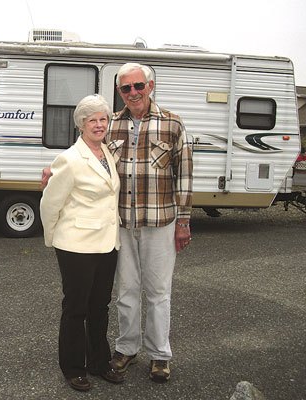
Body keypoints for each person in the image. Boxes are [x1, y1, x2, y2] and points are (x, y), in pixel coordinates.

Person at [41, 62, 193, 383]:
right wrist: (52, 172)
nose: (133, 93)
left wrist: (184, 221)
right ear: (120, 92)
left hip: (159, 222)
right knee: (125, 292)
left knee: (158, 292)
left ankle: (159, 355)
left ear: (150, 86)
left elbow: (185, 177)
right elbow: (82, 159)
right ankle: (125, 349)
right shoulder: (114, 126)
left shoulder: (173, 124)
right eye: (126, 88)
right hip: (120, 226)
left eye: (138, 86)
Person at [40, 94, 124, 392]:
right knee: (76, 307)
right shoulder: (70, 159)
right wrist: (53, 237)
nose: (99, 124)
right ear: (81, 125)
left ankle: (99, 363)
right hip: (75, 245)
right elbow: (50, 203)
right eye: (93, 120)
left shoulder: (107, 154)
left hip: (106, 244)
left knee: (100, 305)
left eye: (103, 119)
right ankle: (73, 367)